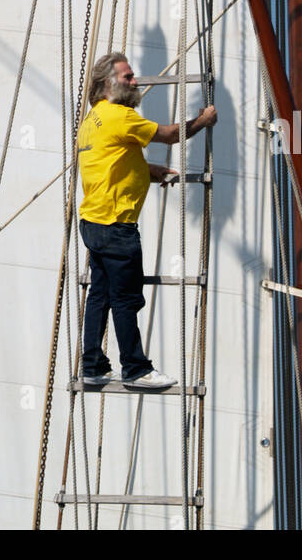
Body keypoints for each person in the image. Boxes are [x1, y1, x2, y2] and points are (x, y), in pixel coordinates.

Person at [76, 52, 218, 390]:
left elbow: (110, 162)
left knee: (100, 294)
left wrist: (149, 172)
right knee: (126, 298)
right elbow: (170, 135)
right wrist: (203, 120)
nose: (135, 81)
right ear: (107, 84)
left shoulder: (93, 119)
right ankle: (136, 369)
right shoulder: (121, 117)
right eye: (127, 77)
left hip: (94, 222)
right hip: (117, 226)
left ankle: (93, 364)